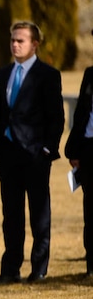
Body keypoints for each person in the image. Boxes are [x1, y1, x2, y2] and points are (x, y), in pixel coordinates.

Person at [0, 21, 64, 284]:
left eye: (20, 40)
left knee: (39, 214)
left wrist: (47, 149)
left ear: (35, 44)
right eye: (12, 39)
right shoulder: (4, 73)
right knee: (11, 215)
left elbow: (56, 117)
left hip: (35, 155)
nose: (15, 44)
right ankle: (10, 268)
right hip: (8, 155)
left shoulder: (47, 74)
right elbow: (1, 113)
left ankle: (39, 268)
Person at [64, 44, 93, 277]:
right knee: (90, 212)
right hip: (89, 149)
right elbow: (81, 113)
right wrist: (73, 149)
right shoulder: (90, 74)